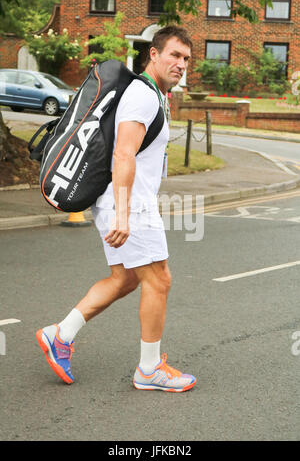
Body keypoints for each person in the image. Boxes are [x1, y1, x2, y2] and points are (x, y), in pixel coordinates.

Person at [36, 26, 196, 392]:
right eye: (174, 55)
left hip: (122, 200)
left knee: (125, 278)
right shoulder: (143, 95)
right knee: (159, 280)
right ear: (153, 55)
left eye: (186, 58)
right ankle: (149, 370)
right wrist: (123, 212)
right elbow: (123, 153)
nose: (181, 64)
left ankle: (60, 335)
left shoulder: (152, 93)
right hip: (128, 203)